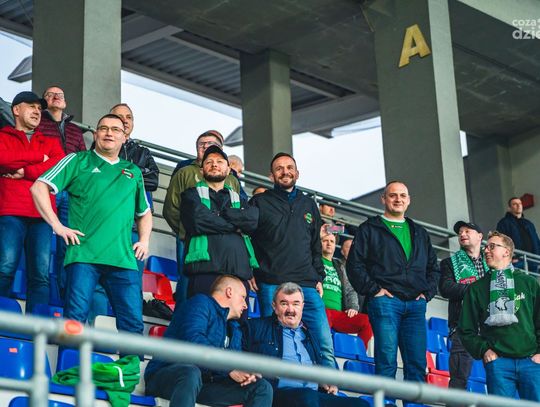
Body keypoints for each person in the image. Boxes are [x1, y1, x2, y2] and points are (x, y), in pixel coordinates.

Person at [31, 113, 152, 336]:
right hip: (83, 256)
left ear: (124, 137)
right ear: (95, 134)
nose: (109, 133)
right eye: (103, 128)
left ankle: (130, 362)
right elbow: (39, 187)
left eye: (115, 129)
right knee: (74, 320)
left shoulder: (133, 171)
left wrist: (144, 241)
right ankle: (70, 361)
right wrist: (57, 225)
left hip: (123, 260)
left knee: (133, 325)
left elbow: (144, 213)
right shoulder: (77, 160)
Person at [346, 181, 439, 382]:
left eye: (403, 196)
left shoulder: (420, 232)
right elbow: (354, 265)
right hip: (385, 302)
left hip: (416, 305)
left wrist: (427, 293)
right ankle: (385, 399)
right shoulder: (369, 228)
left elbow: (434, 268)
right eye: (393, 195)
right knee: (386, 362)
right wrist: (374, 290)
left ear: (409, 200)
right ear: (383, 199)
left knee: (417, 365)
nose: (398, 199)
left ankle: (413, 401)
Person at [250, 152, 335, 368]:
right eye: (279, 168)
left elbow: (315, 244)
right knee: (272, 344)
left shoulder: (309, 204)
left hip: (307, 283)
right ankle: (274, 386)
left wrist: (319, 276)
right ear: (271, 176)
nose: (285, 172)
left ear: (297, 173)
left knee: (324, 345)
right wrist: (250, 269)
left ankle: (330, 387)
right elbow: (246, 238)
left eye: (289, 168)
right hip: (271, 282)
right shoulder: (259, 202)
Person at [145, 275, 272, 407]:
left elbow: (235, 361)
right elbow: (193, 342)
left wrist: (246, 372)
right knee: (191, 372)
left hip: (204, 385)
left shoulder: (234, 327)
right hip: (167, 376)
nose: (245, 305)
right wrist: (228, 368)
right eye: (243, 297)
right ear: (229, 292)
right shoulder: (200, 303)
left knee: (261, 387)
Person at [242, 282, 368, 407]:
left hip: (313, 395)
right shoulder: (256, 327)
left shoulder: (310, 334)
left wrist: (324, 381)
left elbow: (318, 368)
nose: (290, 310)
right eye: (284, 303)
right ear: (274, 306)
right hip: (278, 394)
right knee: (307, 397)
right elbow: (239, 355)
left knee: (361, 404)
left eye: (295, 304)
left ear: (302, 306)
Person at [0, 91, 64, 312]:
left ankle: (38, 328)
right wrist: (39, 158)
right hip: (10, 211)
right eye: (31, 106)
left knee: (40, 277)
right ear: (16, 110)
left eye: (39, 108)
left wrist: (24, 171)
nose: (37, 111)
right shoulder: (3, 136)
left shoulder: (51, 141)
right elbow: (3, 159)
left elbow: (57, 168)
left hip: (42, 215)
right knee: (5, 269)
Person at [458, 231, 540, 401]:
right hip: (499, 364)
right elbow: (466, 329)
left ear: (506, 252)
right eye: (486, 247)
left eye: (492, 246)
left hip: (531, 362)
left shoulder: (529, 282)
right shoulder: (476, 289)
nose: (486, 250)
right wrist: (484, 350)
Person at [163, 130, 241, 304]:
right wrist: (186, 231)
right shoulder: (184, 172)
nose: (205, 147)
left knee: (222, 284)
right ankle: (184, 317)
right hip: (190, 239)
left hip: (224, 243)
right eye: (201, 144)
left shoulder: (231, 179)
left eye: (210, 144)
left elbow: (239, 211)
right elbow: (171, 208)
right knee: (187, 282)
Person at [181, 145, 259, 298]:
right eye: (209, 162)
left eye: (220, 161)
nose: (214, 165)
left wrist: (218, 214)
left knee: (237, 316)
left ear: (229, 170)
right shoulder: (191, 195)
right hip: (204, 273)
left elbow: (251, 222)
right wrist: (235, 225)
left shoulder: (240, 199)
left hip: (238, 274)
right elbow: (197, 220)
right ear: (202, 170)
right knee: (203, 314)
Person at [37, 85, 87, 299]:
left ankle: (64, 297)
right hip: (47, 188)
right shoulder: (38, 123)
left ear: (65, 102)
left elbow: (83, 159)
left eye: (60, 95)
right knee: (41, 240)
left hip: (70, 194)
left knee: (68, 245)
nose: (56, 97)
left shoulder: (75, 130)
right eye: (51, 94)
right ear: (44, 102)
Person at [439, 221, 489, 389]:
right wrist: (477, 290)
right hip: (463, 328)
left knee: (498, 378)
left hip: (492, 328)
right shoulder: (449, 263)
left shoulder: (492, 261)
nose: (462, 234)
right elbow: (446, 288)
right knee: (459, 379)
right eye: (460, 232)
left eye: (467, 231)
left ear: (480, 236)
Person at [321, 232, 372, 347]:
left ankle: (359, 353)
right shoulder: (315, 261)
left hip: (338, 314)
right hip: (321, 309)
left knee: (367, 321)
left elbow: (350, 289)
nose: (329, 244)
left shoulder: (340, 266)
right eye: (325, 241)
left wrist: (353, 307)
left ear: (335, 245)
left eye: (332, 241)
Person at [496, 197, 540, 270]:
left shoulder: (529, 224)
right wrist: (510, 258)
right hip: (517, 261)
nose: (519, 206)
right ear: (509, 208)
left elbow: (536, 242)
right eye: (515, 204)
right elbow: (500, 243)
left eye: (520, 203)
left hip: (533, 261)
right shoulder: (504, 223)